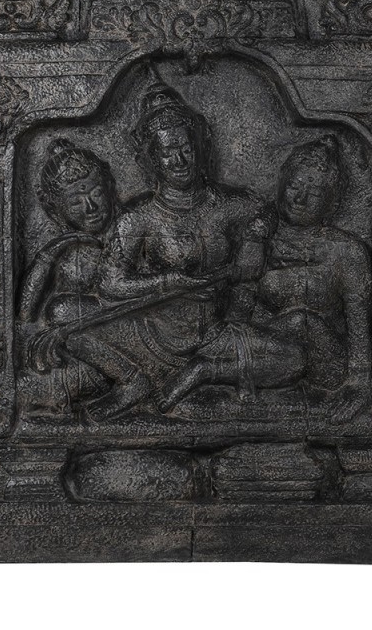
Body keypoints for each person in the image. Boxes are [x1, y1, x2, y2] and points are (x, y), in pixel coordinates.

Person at [97, 80, 304, 412]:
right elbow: (110, 283)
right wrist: (167, 282)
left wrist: (256, 236)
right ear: (151, 159)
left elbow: (265, 210)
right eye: (167, 152)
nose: (179, 160)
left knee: (294, 360)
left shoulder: (224, 204)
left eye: (185, 148)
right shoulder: (138, 218)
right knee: (67, 320)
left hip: (213, 335)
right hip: (153, 336)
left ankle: (204, 371)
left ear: (199, 147)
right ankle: (137, 379)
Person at [16, 138, 151, 419]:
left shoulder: (134, 224)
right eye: (76, 202)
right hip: (88, 350)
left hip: (145, 329)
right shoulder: (68, 252)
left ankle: (131, 379)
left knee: (61, 310)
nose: (91, 207)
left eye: (96, 193)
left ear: (110, 187)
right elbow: (26, 315)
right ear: (55, 209)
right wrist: (51, 251)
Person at [254, 135, 372, 414]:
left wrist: (360, 384)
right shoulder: (258, 239)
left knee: (303, 322)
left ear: (332, 203)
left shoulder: (347, 251)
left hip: (324, 364)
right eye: (294, 186)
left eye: (315, 193)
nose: (300, 198)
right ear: (280, 185)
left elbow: (359, 326)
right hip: (262, 357)